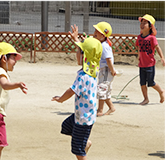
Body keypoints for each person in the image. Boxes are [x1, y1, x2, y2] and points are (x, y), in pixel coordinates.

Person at [52, 24, 103, 160]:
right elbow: (89, 51)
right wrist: (76, 40)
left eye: (79, 52)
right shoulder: (93, 69)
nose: (76, 53)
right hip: (83, 115)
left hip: (83, 119)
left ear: (85, 57)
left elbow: (71, 91)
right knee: (66, 126)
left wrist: (60, 99)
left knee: (78, 151)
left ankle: (83, 144)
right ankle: (85, 142)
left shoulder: (83, 76)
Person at [136, 14, 165, 105]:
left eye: (145, 23)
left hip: (150, 64)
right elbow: (139, 49)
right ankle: (146, 99)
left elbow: (157, 48)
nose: (142, 24)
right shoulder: (139, 37)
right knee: (142, 83)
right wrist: (139, 57)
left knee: (151, 82)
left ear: (150, 27)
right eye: (142, 23)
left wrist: (162, 58)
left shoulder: (152, 38)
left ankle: (161, 91)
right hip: (142, 64)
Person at [92, 21, 116, 116]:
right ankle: (111, 107)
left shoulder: (104, 46)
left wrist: (112, 70)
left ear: (102, 35)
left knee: (101, 89)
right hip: (103, 70)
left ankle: (100, 110)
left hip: (106, 70)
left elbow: (108, 60)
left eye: (96, 31)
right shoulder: (101, 43)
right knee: (103, 89)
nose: (94, 33)